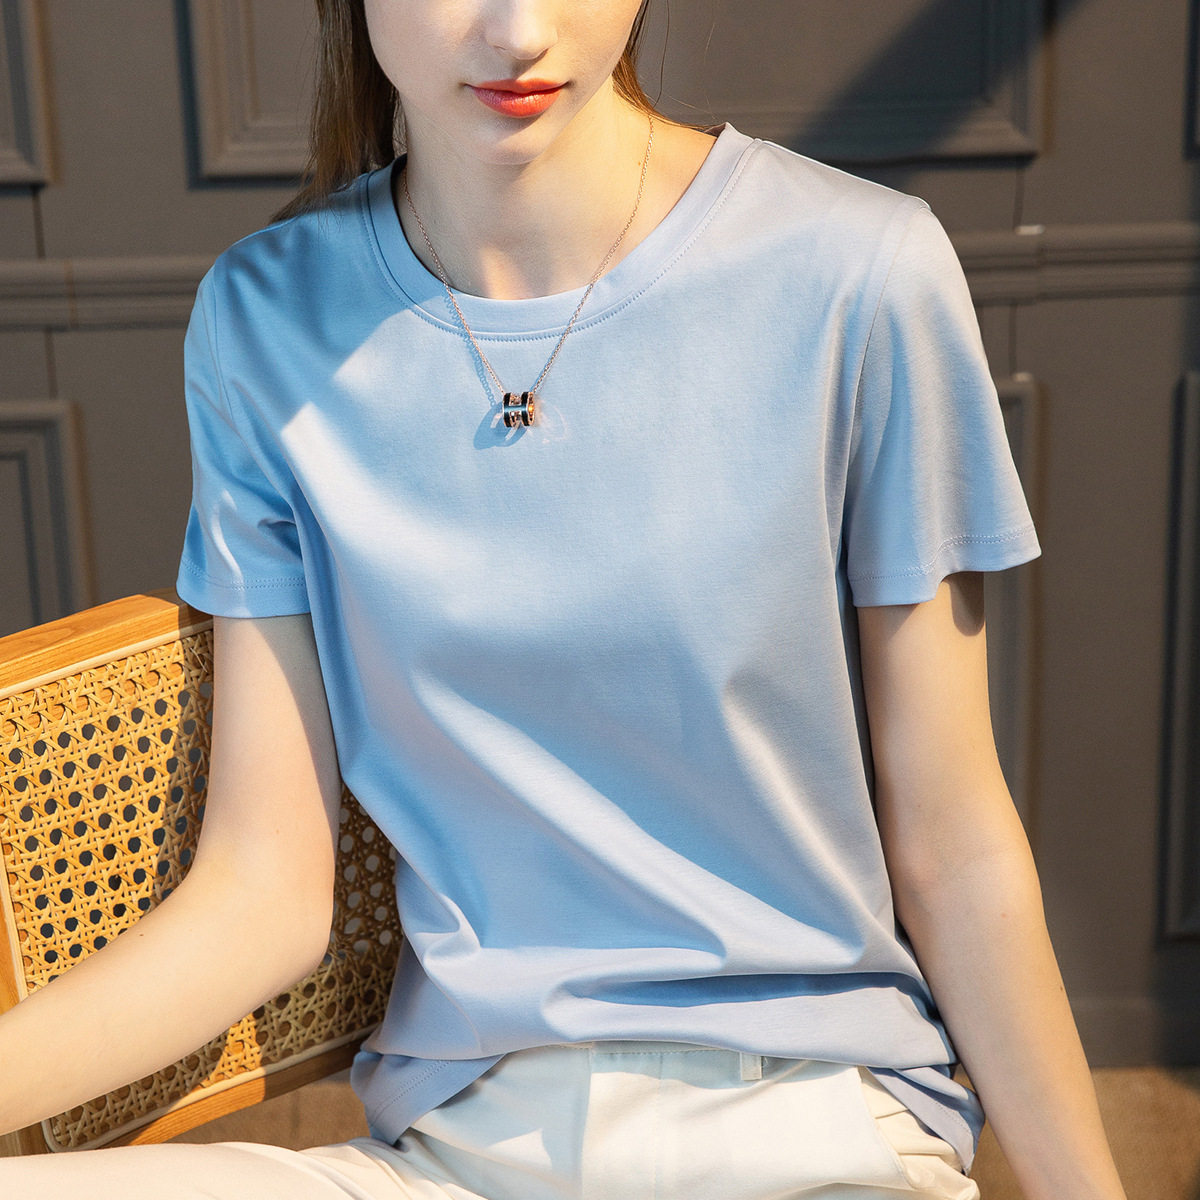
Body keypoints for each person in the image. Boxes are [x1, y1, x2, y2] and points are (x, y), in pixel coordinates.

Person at [0, 2, 1128, 1197]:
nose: (520, 31)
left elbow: (955, 843)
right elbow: (260, 894)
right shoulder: (266, 318)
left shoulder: (860, 272)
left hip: (809, 1126)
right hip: (455, 1160)